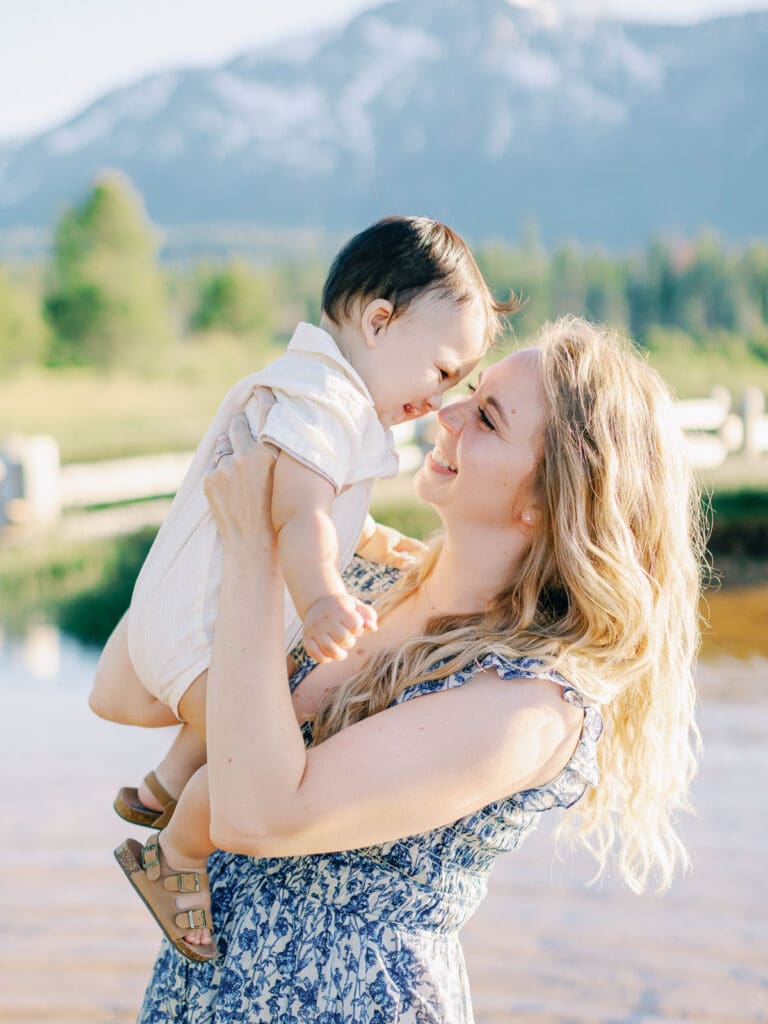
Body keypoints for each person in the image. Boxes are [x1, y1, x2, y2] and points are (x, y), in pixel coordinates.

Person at [112, 317, 704, 1023]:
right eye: (471, 389)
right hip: (195, 1000)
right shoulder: (350, 584)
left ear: (548, 498)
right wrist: (245, 477)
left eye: (485, 417)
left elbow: (258, 815)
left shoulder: (527, 706)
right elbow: (126, 692)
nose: (447, 412)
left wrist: (252, 551)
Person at [90, 217, 515, 858]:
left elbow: (319, 498)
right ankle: (174, 853)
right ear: (377, 322)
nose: (437, 403)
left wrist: (368, 539)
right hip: (195, 629)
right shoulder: (329, 403)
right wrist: (318, 594)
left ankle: (163, 784)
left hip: (179, 627)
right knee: (272, 727)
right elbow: (300, 508)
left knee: (267, 690)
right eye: (440, 372)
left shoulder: (316, 392)